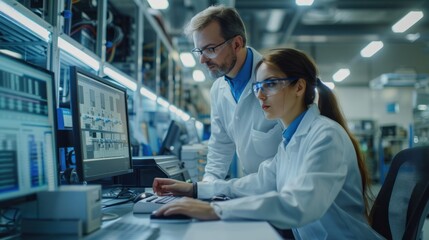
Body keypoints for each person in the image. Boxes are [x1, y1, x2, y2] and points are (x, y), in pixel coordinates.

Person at [152, 48, 383, 239]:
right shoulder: (289, 142)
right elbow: (258, 183)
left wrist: (216, 210)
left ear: (299, 87)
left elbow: (299, 204)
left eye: (270, 84)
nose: (260, 95)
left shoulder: (326, 136)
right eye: (258, 86)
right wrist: (195, 189)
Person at [184, 5, 283, 181]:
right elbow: (220, 148)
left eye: (210, 49)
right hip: (252, 191)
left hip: (284, 190)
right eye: (199, 51)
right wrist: (206, 189)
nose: (202, 59)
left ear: (237, 44)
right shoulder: (218, 89)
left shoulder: (278, 80)